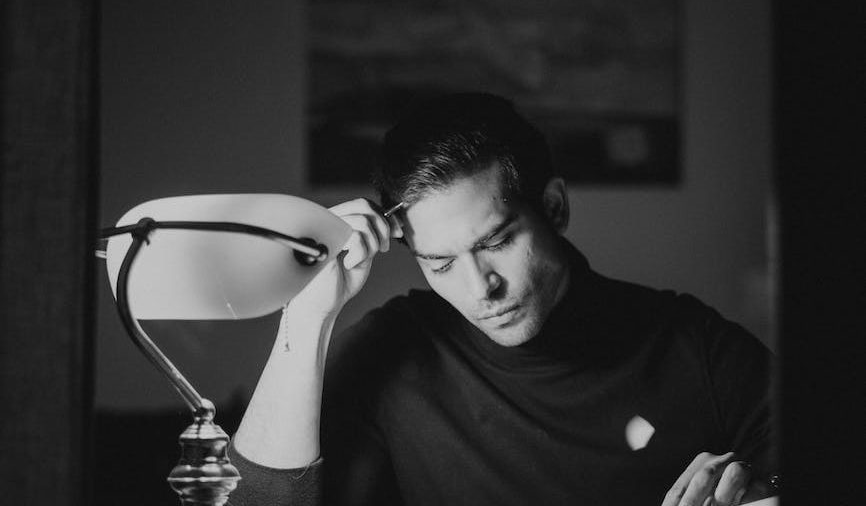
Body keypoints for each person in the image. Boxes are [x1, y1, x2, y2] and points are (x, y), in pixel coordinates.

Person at [229, 92, 777, 505]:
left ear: (555, 208)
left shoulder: (694, 346)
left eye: (496, 242)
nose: (479, 287)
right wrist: (306, 318)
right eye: (439, 263)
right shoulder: (393, 351)